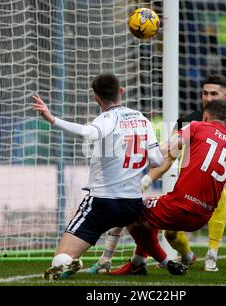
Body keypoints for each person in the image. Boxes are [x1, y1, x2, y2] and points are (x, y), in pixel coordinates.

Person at [88, 74, 226, 273]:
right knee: (169, 234)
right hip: (194, 206)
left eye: (213, 94)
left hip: (205, 193)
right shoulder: (187, 121)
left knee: (129, 210)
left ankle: (209, 256)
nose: (208, 98)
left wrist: (137, 152)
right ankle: (181, 256)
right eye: (205, 93)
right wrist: (145, 181)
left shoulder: (223, 126)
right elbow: (169, 158)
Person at [31, 73, 166, 279]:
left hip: (103, 203)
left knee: (59, 260)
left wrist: (52, 119)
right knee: (134, 222)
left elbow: (87, 133)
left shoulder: (107, 118)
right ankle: (147, 261)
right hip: (132, 205)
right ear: (121, 91)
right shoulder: (142, 119)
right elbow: (157, 160)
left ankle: (70, 262)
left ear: (95, 97)